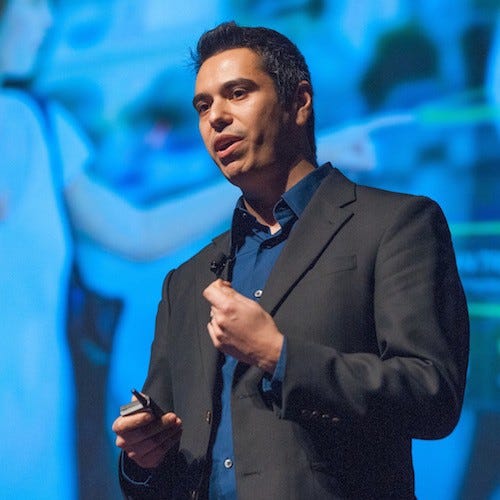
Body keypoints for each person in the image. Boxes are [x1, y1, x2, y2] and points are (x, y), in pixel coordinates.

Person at [112, 21, 469, 499]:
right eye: (203, 106)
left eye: (237, 93)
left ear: (299, 102)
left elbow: (432, 396)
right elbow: (170, 459)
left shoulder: (395, 225)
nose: (216, 117)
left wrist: (279, 355)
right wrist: (143, 459)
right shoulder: (188, 280)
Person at [0, 1, 236, 498]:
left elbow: (136, 232)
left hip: (38, 423)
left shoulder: (37, 123)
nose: (47, 19)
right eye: (33, 3)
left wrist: (263, 179)